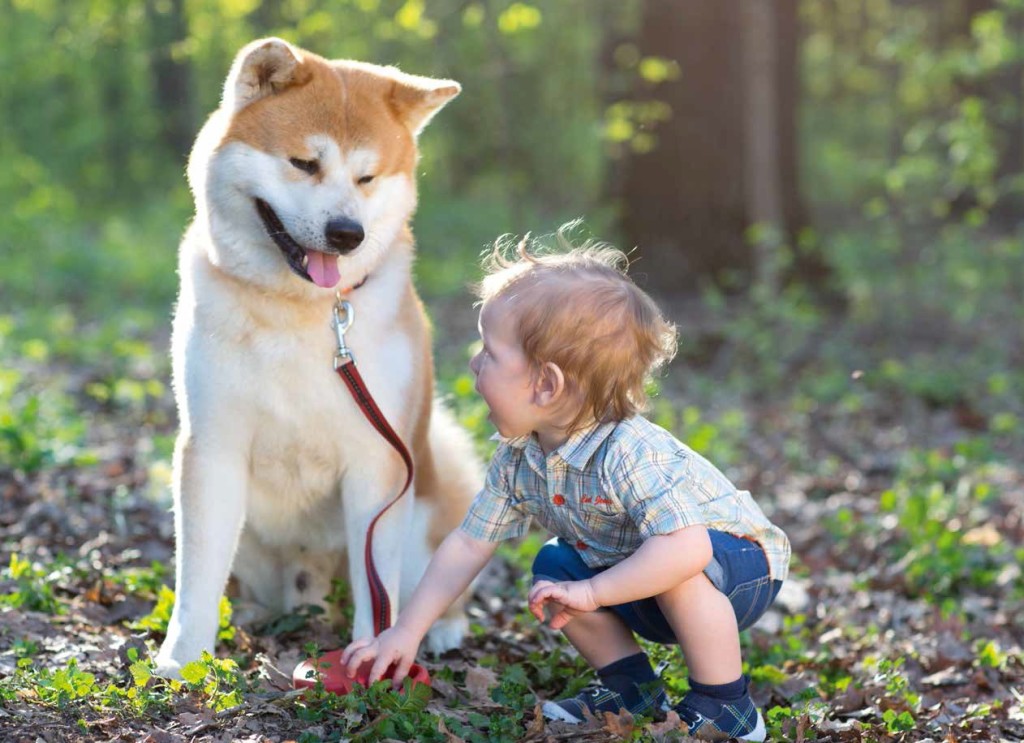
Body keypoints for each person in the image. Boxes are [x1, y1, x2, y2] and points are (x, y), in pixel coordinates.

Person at [341, 229, 790, 742]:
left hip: (737, 567)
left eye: (488, 351)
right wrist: (406, 632)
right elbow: (468, 542)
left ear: (546, 384)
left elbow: (687, 546)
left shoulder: (628, 451)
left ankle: (725, 704)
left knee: (680, 568)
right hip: (639, 571)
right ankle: (632, 691)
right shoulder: (519, 457)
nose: (474, 363)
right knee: (555, 566)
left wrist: (595, 590)